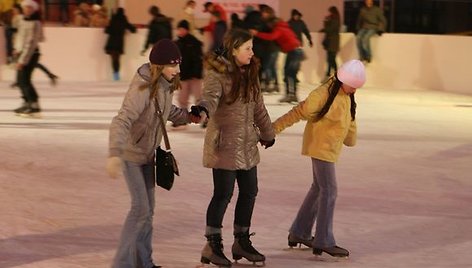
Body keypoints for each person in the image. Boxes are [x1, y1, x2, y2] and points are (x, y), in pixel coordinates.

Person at [107, 39, 198, 268]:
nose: (178, 70)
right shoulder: (142, 88)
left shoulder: (164, 85)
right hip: (130, 155)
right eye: (173, 65)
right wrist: (114, 153)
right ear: (159, 66)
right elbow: (122, 119)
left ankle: (143, 263)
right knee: (140, 209)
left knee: (148, 212)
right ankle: (122, 264)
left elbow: (167, 112)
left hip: (148, 156)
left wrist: (189, 116)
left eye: (178, 64)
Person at [190, 29, 275, 267]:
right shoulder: (218, 75)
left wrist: (268, 133)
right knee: (223, 194)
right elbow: (210, 98)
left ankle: (241, 241)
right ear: (234, 49)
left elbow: (258, 107)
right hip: (225, 143)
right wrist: (202, 110)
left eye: (252, 47)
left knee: (250, 191)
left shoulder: (251, 73)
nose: (251, 52)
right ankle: (212, 244)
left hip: (247, 144)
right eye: (247, 48)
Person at [272, 59, 365, 259]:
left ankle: (300, 231)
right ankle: (323, 240)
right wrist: (274, 128)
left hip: (329, 149)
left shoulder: (346, 95)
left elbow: (349, 122)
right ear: (343, 79)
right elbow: (299, 111)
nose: (355, 90)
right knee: (329, 191)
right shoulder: (324, 93)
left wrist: (351, 137)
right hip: (320, 147)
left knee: (318, 188)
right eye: (353, 85)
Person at [250, 6, 304, 103]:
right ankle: (291, 95)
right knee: (290, 73)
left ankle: (291, 95)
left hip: (294, 52)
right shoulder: (284, 27)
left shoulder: (279, 28)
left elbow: (272, 37)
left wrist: (257, 33)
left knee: (289, 73)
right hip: (296, 51)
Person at [13, 0, 42, 117]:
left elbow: (31, 43)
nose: (27, 9)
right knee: (20, 81)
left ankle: (34, 105)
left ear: (34, 9)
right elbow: (20, 36)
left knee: (25, 81)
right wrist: (16, 49)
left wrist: (23, 60)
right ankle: (26, 102)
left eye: (30, 8)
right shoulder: (22, 20)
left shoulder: (35, 23)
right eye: (25, 7)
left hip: (30, 54)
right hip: (21, 53)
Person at [174, 20, 203, 112]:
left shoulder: (194, 42)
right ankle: (182, 117)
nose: (180, 31)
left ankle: (202, 116)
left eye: (182, 29)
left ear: (187, 30)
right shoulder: (176, 43)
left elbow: (198, 59)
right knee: (182, 98)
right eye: (179, 29)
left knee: (198, 97)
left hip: (194, 76)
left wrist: (197, 72)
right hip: (183, 75)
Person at [104, 7, 136, 81]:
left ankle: (115, 74)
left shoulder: (113, 19)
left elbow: (107, 30)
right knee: (117, 59)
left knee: (113, 59)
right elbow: (132, 29)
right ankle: (116, 74)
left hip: (111, 42)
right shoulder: (123, 20)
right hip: (119, 43)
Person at [320, 6, 341, 81]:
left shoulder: (335, 20)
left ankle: (336, 75)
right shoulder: (334, 19)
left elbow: (330, 29)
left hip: (333, 42)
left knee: (331, 59)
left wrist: (326, 22)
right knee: (330, 59)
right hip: (331, 42)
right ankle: (329, 74)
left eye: (330, 12)